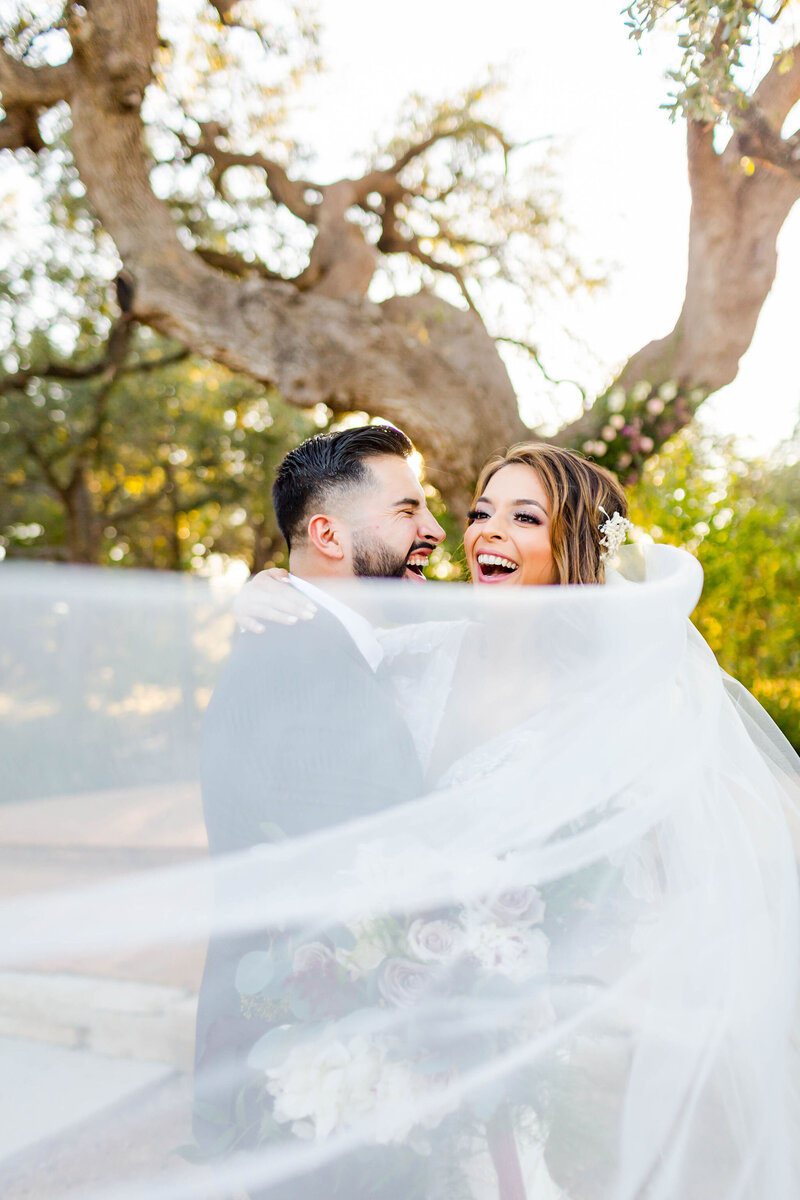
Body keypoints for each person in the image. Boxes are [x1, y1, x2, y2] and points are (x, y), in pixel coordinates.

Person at [231, 439, 800, 1199]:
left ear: (570, 550)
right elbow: (331, 631)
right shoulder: (412, 657)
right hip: (361, 1032)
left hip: (497, 1062)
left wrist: (522, 987)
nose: (484, 532)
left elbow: (643, 906)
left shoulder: (616, 718)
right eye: (480, 512)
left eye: (524, 517)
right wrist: (268, 587)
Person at [194, 423, 445, 1196]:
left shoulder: (325, 653)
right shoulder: (298, 671)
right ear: (329, 534)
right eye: (408, 512)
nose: (435, 531)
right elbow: (348, 902)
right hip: (316, 1082)